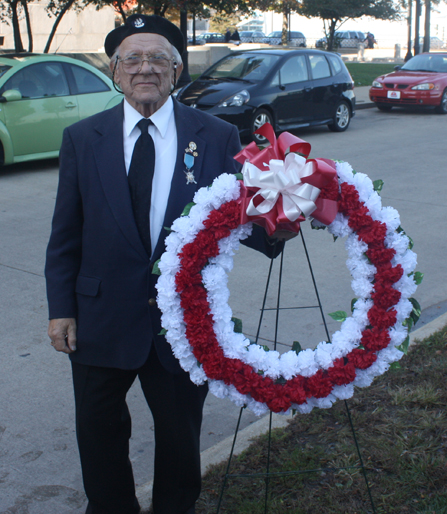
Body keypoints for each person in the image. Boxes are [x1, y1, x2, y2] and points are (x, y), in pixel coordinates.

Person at [45, 13, 281, 514]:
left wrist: (283, 217)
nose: (145, 68)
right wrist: (60, 308)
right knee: (98, 430)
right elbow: (65, 235)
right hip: (99, 317)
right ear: (115, 71)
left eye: (158, 58)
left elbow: (241, 214)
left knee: (179, 436)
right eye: (132, 58)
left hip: (182, 320)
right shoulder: (83, 138)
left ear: (176, 71)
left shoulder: (215, 135)